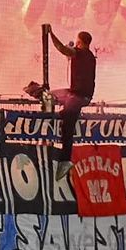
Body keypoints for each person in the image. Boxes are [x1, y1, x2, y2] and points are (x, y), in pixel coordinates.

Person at [46, 24, 97, 180]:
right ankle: (61, 114)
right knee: (50, 95)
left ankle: (65, 160)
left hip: (77, 97)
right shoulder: (90, 56)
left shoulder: (80, 53)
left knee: (67, 125)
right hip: (80, 95)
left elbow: (61, 48)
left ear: (80, 42)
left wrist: (51, 34)